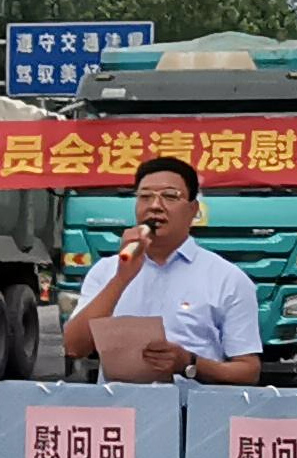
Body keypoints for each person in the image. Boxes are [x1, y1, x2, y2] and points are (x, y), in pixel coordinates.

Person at [60, 156, 262, 385]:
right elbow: (74, 347)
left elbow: (248, 372)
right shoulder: (107, 270)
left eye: (170, 196)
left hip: (193, 404)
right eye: (145, 197)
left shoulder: (227, 278)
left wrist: (190, 363)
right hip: (121, 404)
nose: (155, 206)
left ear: (193, 210)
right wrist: (121, 278)